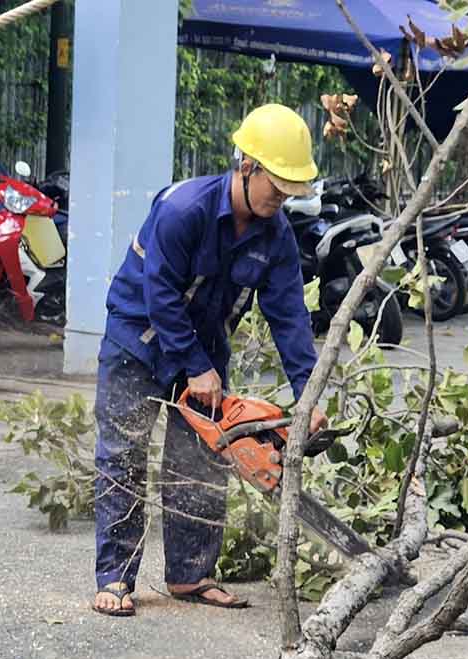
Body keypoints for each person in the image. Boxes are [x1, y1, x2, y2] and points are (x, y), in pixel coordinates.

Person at [92, 103, 328, 616]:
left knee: (200, 460)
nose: (283, 197)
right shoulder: (184, 210)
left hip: (205, 351)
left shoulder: (276, 234)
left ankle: (191, 574)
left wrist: (308, 395)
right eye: (278, 184)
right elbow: (161, 294)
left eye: (292, 189)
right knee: (124, 456)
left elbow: (288, 317)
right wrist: (193, 366)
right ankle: (114, 578)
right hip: (139, 340)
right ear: (247, 166)